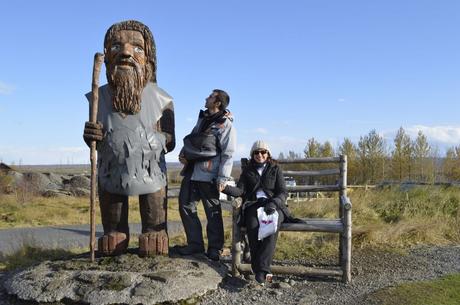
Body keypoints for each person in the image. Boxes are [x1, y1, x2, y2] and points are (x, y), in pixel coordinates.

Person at [83, 20, 175, 256]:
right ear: (107, 56)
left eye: (137, 48)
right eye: (116, 46)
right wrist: (91, 134)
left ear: (149, 60)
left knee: (153, 202)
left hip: (151, 170)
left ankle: (155, 230)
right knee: (111, 203)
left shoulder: (162, 99)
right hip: (111, 169)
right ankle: (114, 231)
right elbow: (94, 136)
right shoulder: (98, 97)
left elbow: (170, 140)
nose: (125, 52)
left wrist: (150, 142)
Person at [223, 140, 300, 285]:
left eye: (263, 152)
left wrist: (274, 203)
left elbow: (283, 192)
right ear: (253, 155)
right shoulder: (248, 171)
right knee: (252, 227)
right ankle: (263, 272)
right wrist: (225, 189)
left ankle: (261, 270)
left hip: (274, 205)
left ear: (268, 154)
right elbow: (240, 190)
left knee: (271, 229)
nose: (260, 155)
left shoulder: (275, 169)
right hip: (254, 205)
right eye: (256, 152)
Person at [176, 89, 236, 261]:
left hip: (209, 174)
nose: (206, 98)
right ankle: (195, 245)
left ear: (217, 103)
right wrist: (183, 154)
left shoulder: (225, 125)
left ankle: (215, 248)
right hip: (192, 171)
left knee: (212, 212)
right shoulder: (203, 119)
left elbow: (228, 153)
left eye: (210, 97)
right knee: (186, 206)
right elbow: (194, 138)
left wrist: (223, 178)